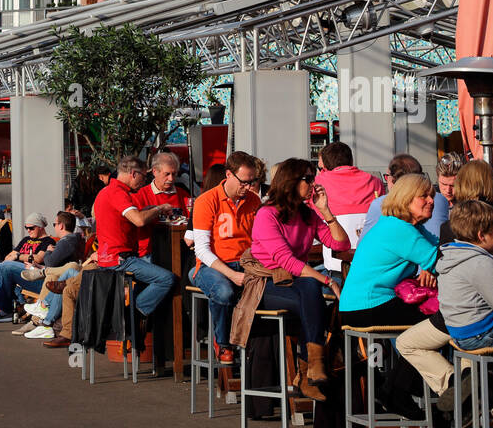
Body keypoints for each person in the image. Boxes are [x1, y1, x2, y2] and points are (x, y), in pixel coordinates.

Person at [397, 161, 493, 408]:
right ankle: (482, 395)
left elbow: (437, 264)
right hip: (483, 319)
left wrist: (429, 268)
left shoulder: (450, 230)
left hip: (459, 321)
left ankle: (460, 386)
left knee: (406, 342)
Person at [248, 159, 350, 400]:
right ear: (291, 182)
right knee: (313, 290)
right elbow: (287, 261)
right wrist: (328, 281)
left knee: (310, 292)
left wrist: (326, 211)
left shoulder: (307, 214)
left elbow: (340, 244)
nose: (313, 184)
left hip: (296, 284)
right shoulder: (266, 215)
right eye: (308, 179)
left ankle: (310, 372)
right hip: (265, 284)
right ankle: (310, 370)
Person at [339, 174, 439, 329]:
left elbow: (440, 250)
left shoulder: (398, 224)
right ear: (406, 198)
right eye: (424, 196)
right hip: (370, 305)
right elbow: (441, 261)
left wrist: (429, 267)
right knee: (444, 317)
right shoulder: (400, 228)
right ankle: (417, 353)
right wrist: (431, 266)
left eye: (431, 196)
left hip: (357, 305)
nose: (431, 201)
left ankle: (409, 352)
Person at [189, 150, 262, 360]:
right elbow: (202, 250)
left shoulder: (253, 201)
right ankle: (223, 343)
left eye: (252, 181)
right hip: (213, 265)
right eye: (244, 182)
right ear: (228, 175)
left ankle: (258, 351)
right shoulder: (207, 200)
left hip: (246, 262)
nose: (248, 187)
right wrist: (232, 274)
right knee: (224, 292)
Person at [91, 154, 175, 320]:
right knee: (167, 279)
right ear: (133, 174)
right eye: (144, 176)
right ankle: (130, 318)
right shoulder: (117, 192)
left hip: (110, 257)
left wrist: (151, 209)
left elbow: (129, 217)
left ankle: (130, 318)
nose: (145, 181)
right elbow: (138, 220)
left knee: (149, 279)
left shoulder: (107, 191)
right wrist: (159, 209)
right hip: (120, 259)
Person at [0, 212, 55, 322]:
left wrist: (18, 255)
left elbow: (37, 259)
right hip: (13, 270)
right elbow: (8, 257)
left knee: (3, 267)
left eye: (31, 228)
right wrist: (21, 257)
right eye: (26, 228)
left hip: (29, 273)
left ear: (40, 227)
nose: (28, 230)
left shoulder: (48, 241)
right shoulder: (25, 239)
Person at [315, 141, 383, 278]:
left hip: (336, 268)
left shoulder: (318, 184)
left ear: (326, 165)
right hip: (372, 263)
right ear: (351, 160)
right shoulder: (375, 182)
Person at [23, 211, 87, 339]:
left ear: (61, 226)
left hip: (66, 277)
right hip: (65, 276)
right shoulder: (76, 239)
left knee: (4, 267)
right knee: (60, 277)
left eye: (54, 224)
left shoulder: (67, 241)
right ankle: (43, 317)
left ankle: (41, 317)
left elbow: (50, 262)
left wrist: (47, 252)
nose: (54, 227)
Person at [360, 154, 449, 238]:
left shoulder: (382, 203)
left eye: (388, 176)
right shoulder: (441, 199)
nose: (431, 200)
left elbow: (362, 241)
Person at [133, 151, 189, 256]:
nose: (171, 179)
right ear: (155, 172)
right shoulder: (141, 195)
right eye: (167, 174)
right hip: (149, 251)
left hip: (180, 250)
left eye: (174, 174)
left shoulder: (184, 195)